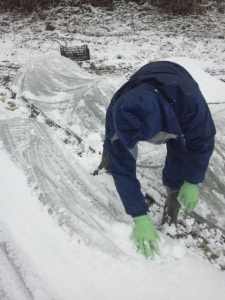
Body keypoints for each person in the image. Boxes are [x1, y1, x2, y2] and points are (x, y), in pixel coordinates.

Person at [101, 61, 216, 258]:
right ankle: (105, 163)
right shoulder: (117, 110)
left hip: (176, 80)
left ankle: (173, 200)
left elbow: (201, 142)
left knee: (179, 151)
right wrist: (139, 216)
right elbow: (124, 168)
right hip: (140, 82)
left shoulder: (189, 101)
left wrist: (192, 180)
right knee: (116, 150)